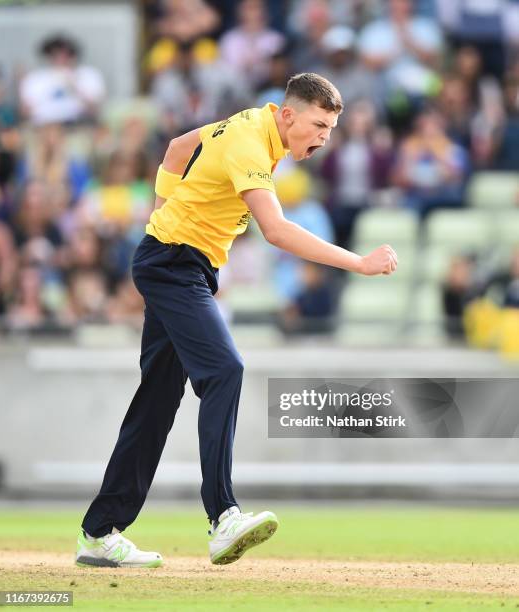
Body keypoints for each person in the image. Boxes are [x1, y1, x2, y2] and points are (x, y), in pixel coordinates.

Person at [75, 73, 397, 569]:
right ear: (288, 114)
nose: (322, 138)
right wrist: (360, 263)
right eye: (318, 125)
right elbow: (276, 230)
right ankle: (223, 516)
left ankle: (99, 533)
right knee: (225, 369)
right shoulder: (250, 140)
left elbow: (179, 146)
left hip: (179, 261)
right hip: (174, 265)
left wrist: (161, 212)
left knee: (158, 402)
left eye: (330, 130)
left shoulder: (251, 126)